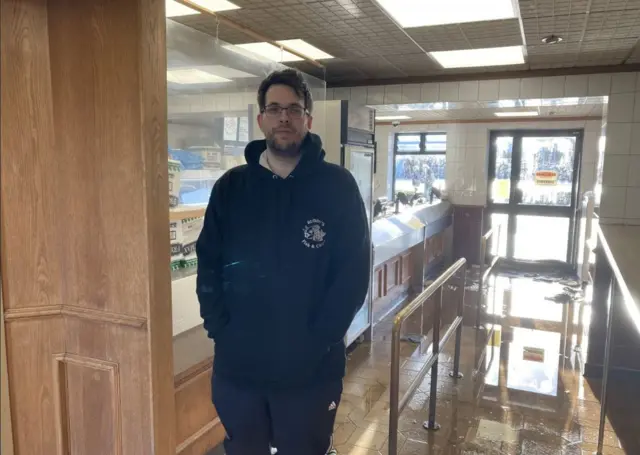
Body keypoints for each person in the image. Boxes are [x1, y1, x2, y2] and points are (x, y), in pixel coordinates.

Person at [196, 69, 371, 455]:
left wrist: (317, 341)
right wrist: (221, 329)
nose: (284, 118)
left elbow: (352, 277)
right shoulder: (232, 188)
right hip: (239, 369)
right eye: (274, 109)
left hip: (310, 371)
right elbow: (208, 263)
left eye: (293, 109)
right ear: (260, 119)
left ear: (308, 118)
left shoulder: (337, 187)